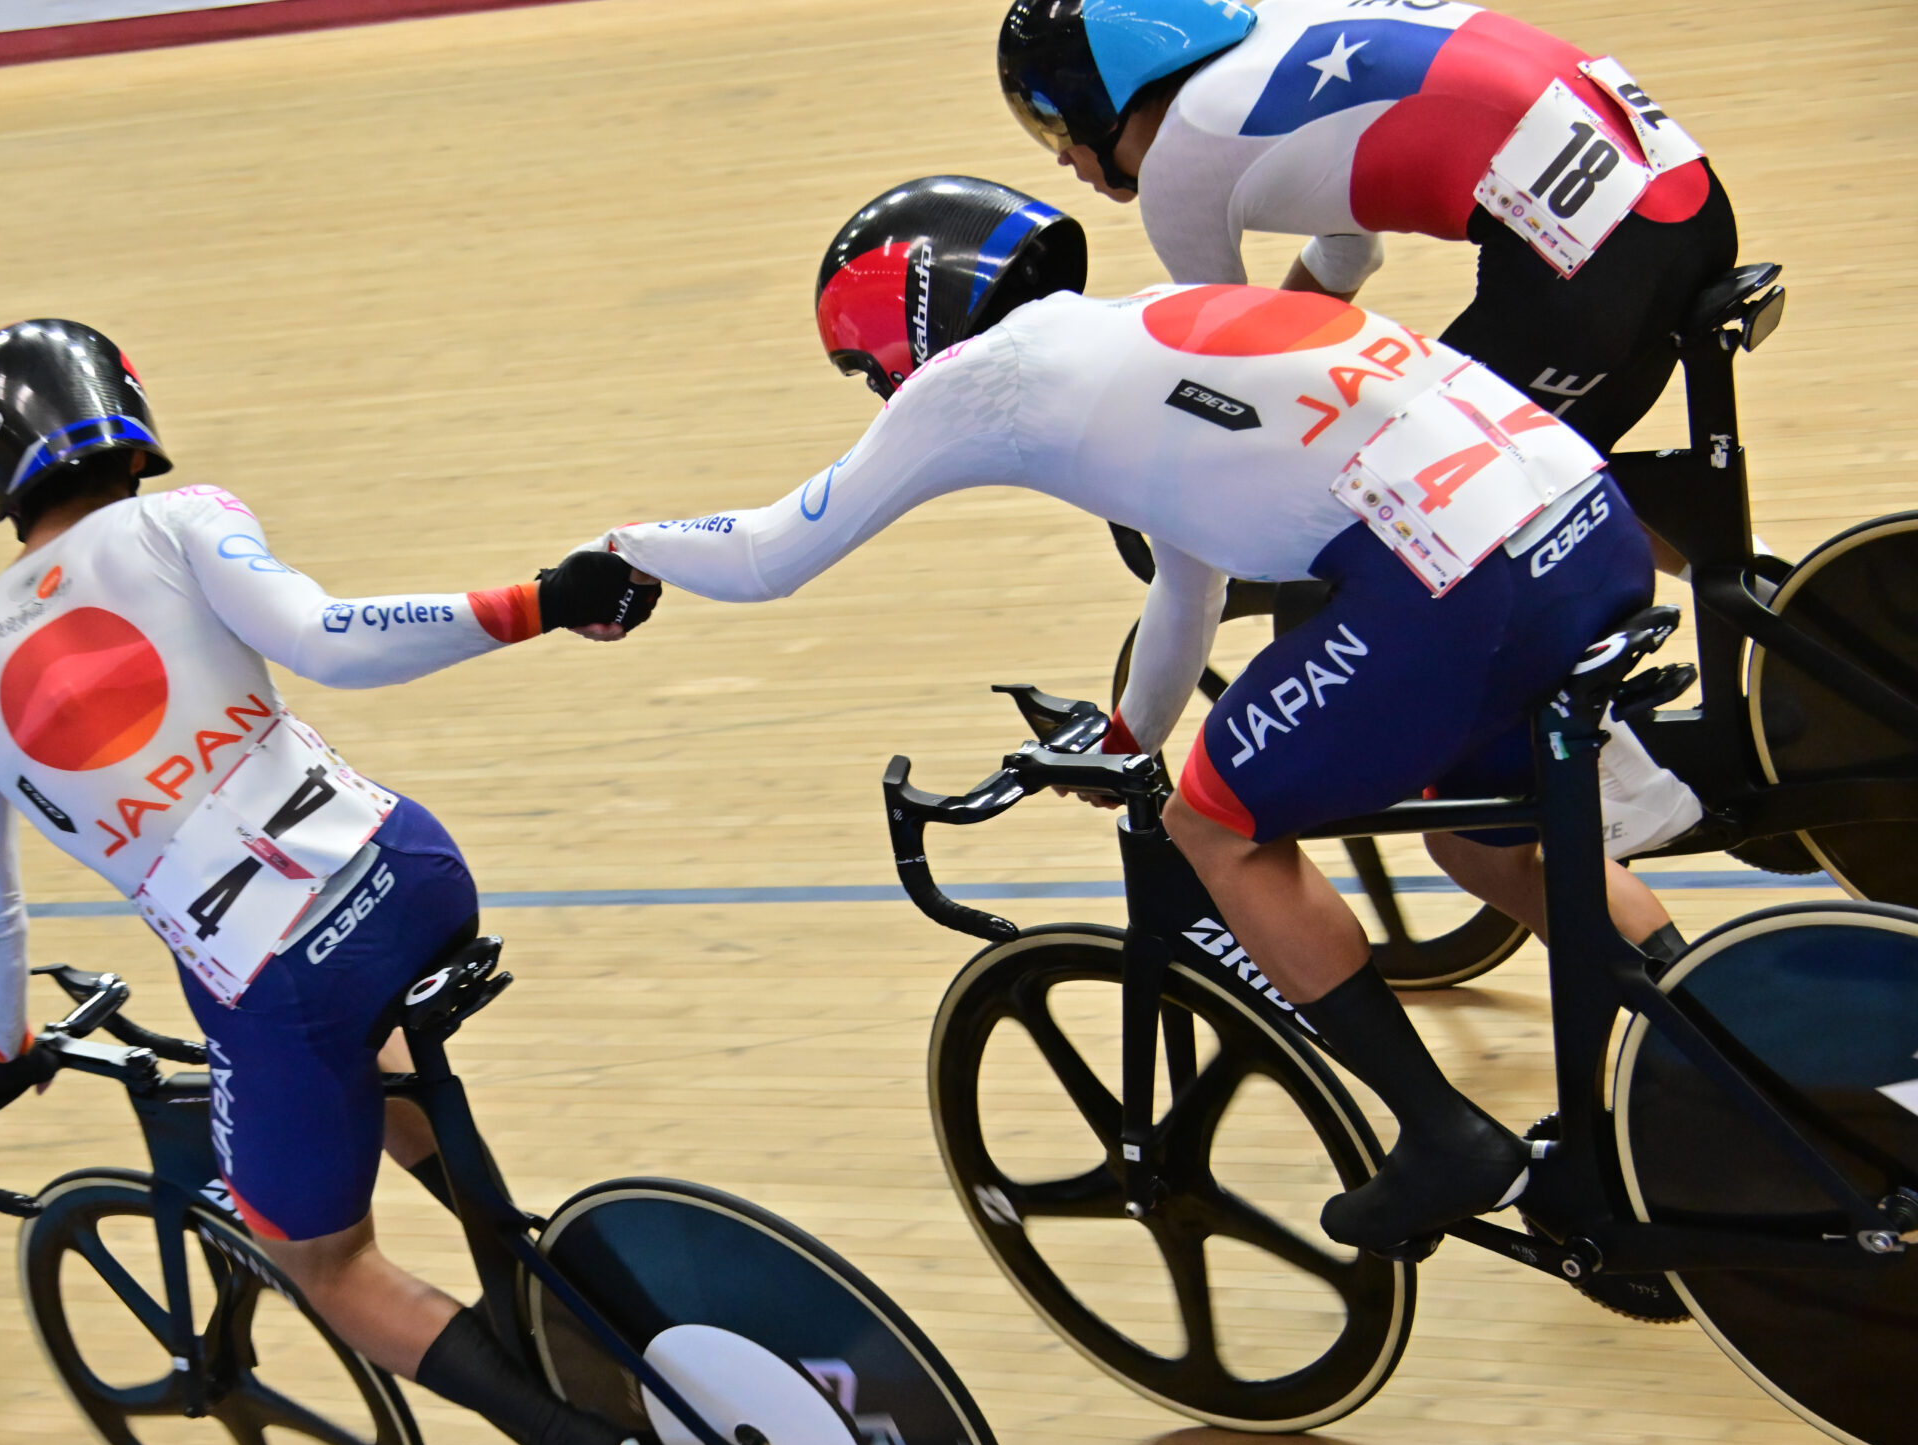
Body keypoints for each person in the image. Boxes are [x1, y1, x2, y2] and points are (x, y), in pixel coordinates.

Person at [575, 182, 1683, 1256]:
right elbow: (1187, 580)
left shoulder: (979, 380)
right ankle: (1716, 1051)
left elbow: (770, 554)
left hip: (1457, 580)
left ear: (899, 347)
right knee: (1484, 840)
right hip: (1583, 521)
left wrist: (617, 549)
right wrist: (1125, 735)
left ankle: (1445, 1136)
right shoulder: (1131, 339)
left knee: (1216, 824)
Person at [0, 320, 662, 1445]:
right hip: (411, 870)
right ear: (129, 411)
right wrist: (541, 602)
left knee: (313, 1251)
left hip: (273, 975)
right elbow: (326, 639)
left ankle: (573, 1444)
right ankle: (522, 1272)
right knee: (355, 1064)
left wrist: (8, 1048)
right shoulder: (184, 517)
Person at [996, 0, 1738, 458]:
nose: (1061, 154)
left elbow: (1221, 373)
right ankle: (1775, 595)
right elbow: (1348, 252)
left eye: (1052, 121)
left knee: (1425, 492)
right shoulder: (1284, 30)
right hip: (1683, 197)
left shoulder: (1179, 164)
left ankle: (1569, 704)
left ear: (1097, 99)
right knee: (1554, 476)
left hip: (1595, 258)